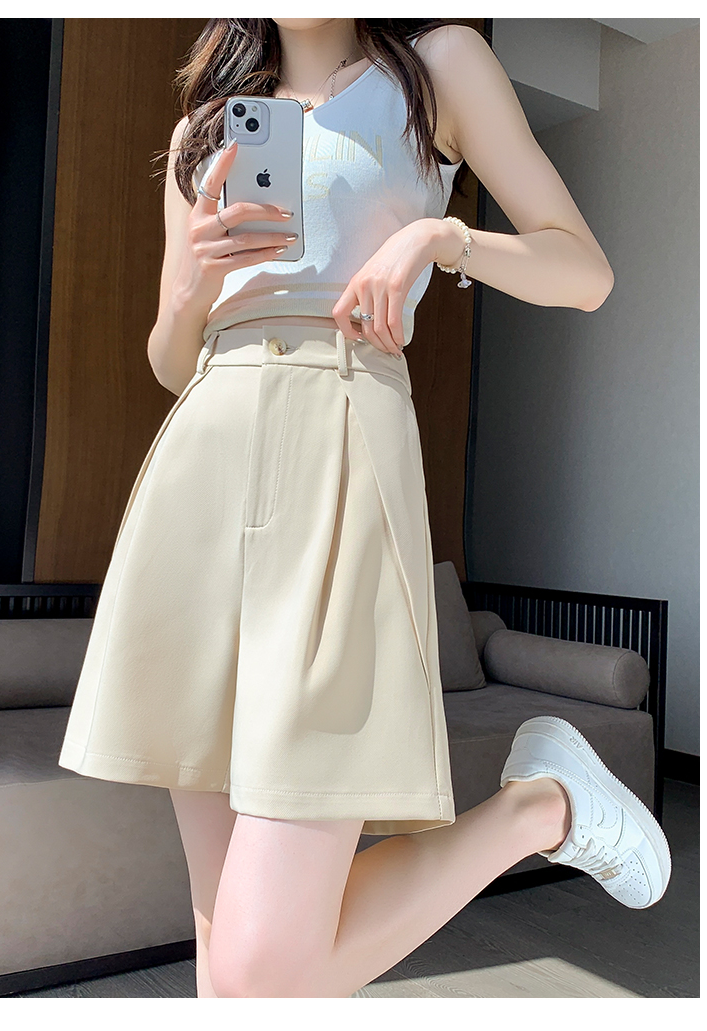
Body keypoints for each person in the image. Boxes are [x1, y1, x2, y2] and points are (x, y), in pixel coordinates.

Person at [58, 18, 671, 998]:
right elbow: (171, 360)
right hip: (203, 466)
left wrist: (443, 236)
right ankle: (543, 805)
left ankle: (543, 808)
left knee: (262, 972)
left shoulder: (438, 68)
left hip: (341, 443)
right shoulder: (204, 129)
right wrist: (191, 288)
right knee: (227, 979)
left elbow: (583, 272)